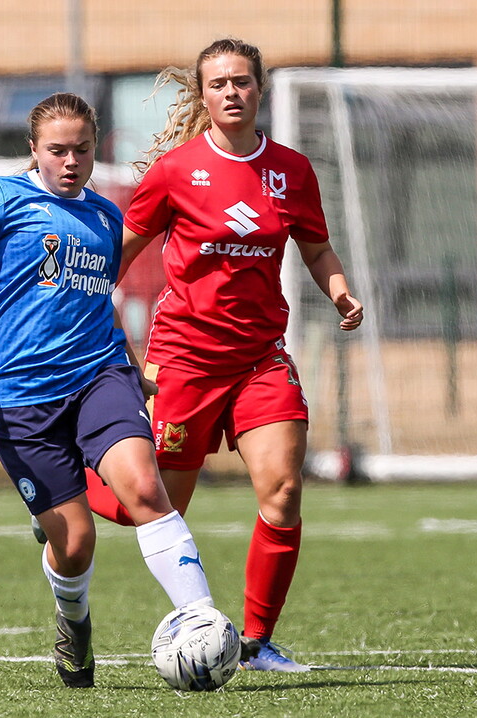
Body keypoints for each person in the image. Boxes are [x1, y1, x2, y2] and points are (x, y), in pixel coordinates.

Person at [0, 92, 223, 688]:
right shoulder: (2, 198)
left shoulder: (103, 216)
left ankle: (200, 618)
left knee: (145, 487)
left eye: (82, 149)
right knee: (75, 542)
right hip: (22, 398)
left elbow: (99, 299)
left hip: (100, 375)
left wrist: (135, 366)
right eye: (58, 150)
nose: (71, 161)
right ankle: (72, 619)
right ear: (33, 150)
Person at [83, 38, 364, 672]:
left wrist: (340, 290)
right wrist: (86, 319)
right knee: (155, 508)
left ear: (259, 88)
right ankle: (67, 496)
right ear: (203, 95)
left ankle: (258, 643)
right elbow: (113, 260)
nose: (231, 93)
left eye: (242, 81)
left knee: (284, 490)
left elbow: (316, 248)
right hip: (184, 360)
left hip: (261, 358)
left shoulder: (291, 169)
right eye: (218, 84)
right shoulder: (176, 171)